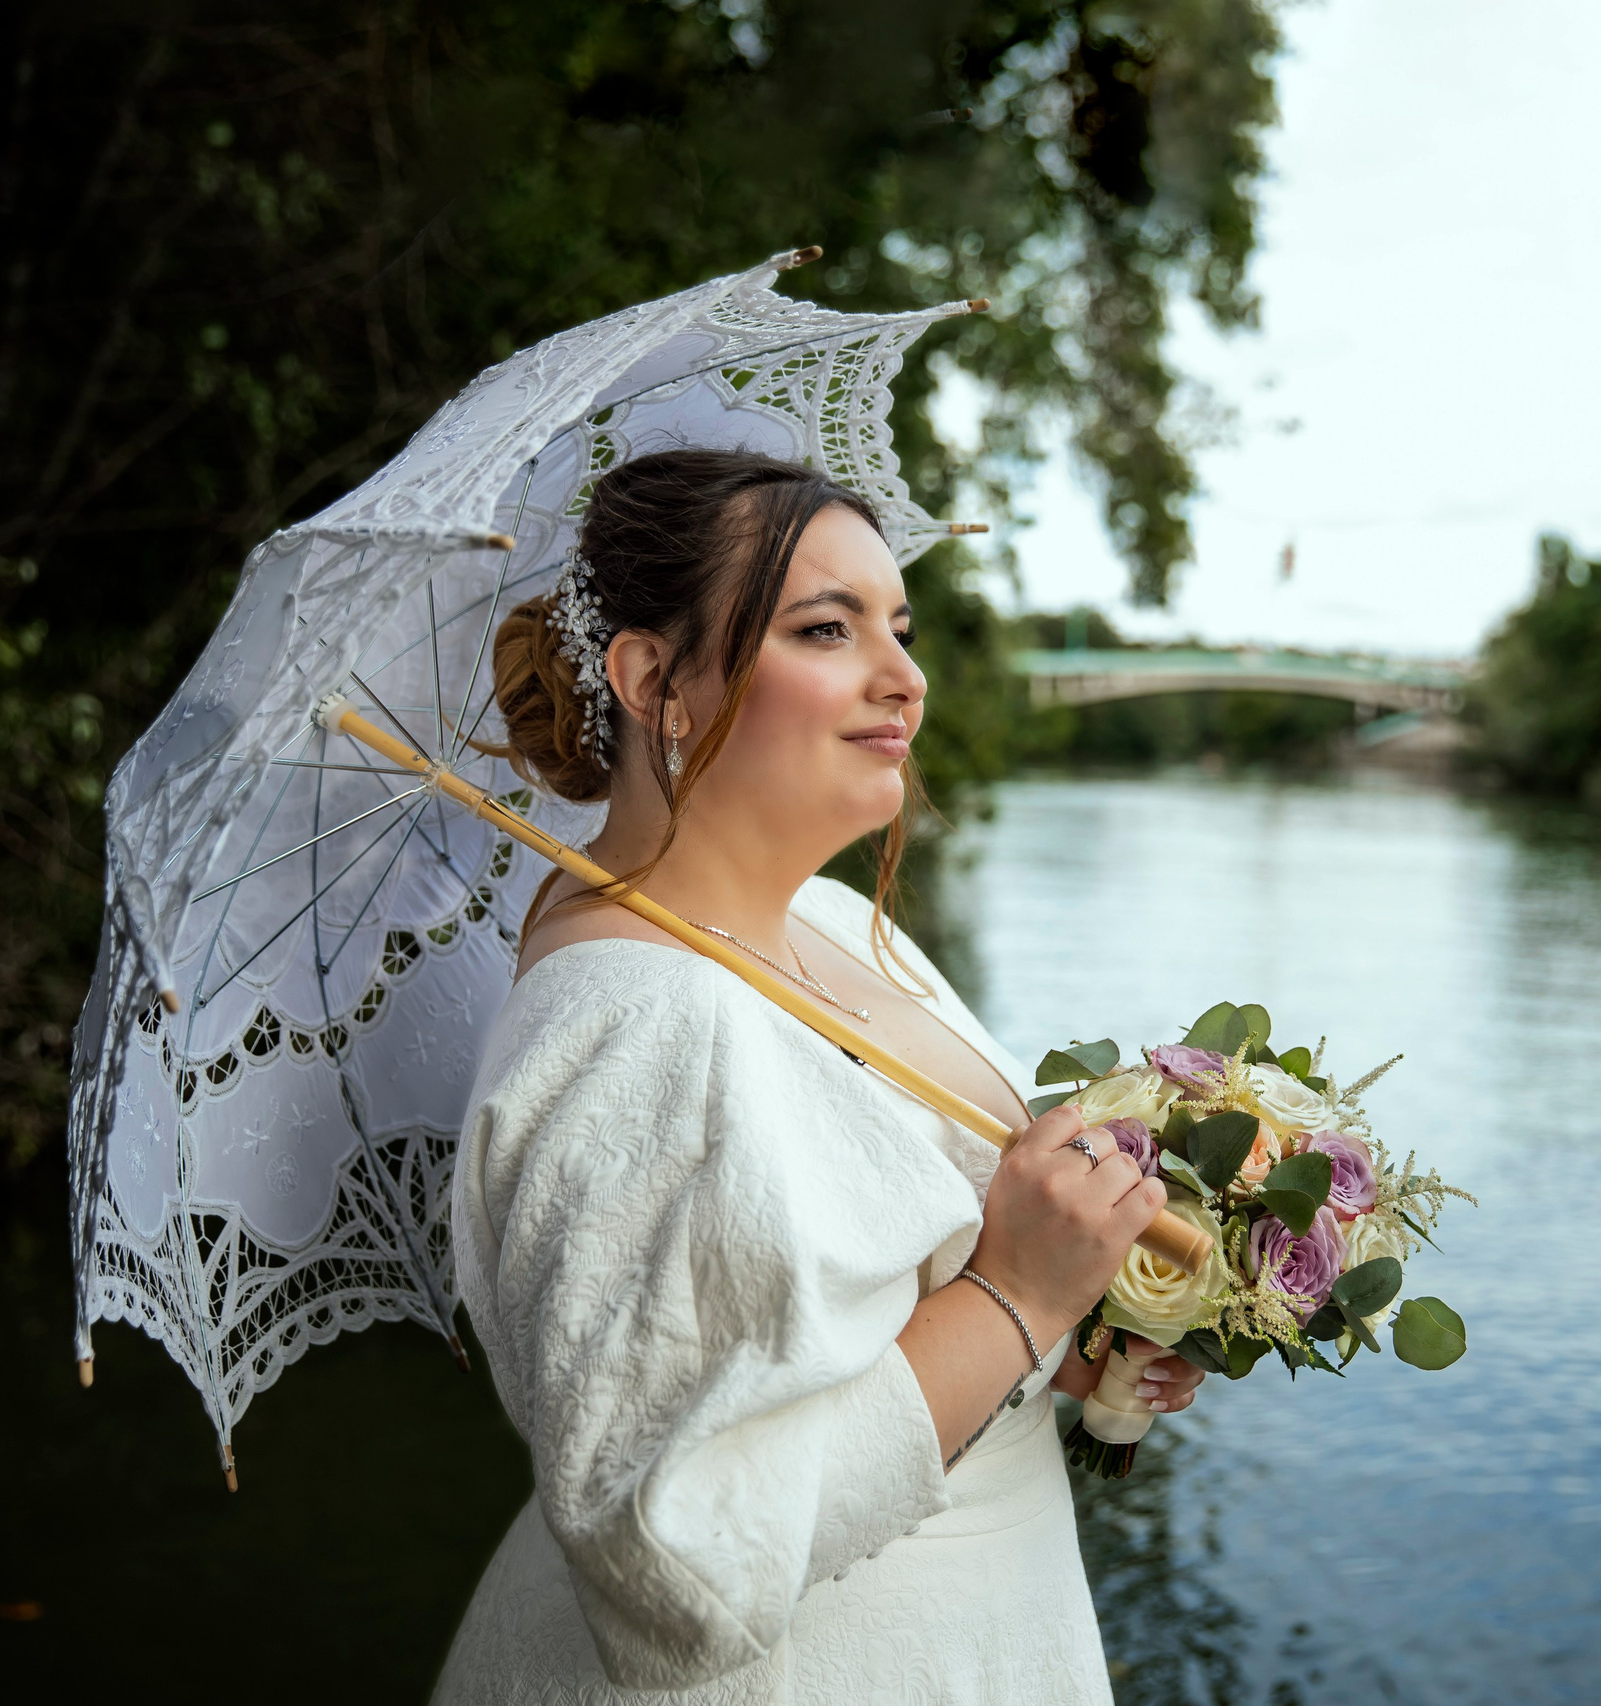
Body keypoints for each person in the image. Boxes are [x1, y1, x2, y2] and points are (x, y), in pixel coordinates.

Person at [431, 448, 1204, 1704]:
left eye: (900, 627)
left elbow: (884, 1311)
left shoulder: (835, 921)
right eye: (826, 629)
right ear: (653, 681)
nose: (904, 676)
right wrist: (1015, 1296)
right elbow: (672, 1564)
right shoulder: (640, 1024)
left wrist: (1072, 1330)